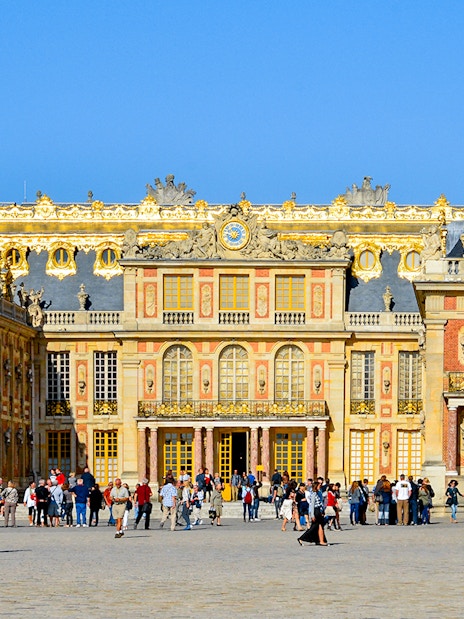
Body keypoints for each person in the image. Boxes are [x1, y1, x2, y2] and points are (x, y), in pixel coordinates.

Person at [297, 480, 328, 546]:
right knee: (315, 527)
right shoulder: (313, 494)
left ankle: (320, 540)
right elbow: (312, 505)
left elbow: (321, 502)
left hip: (319, 510)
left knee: (319, 526)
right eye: (319, 486)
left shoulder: (318, 493)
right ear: (316, 486)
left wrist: (322, 511)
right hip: (316, 511)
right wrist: (312, 515)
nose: (320, 487)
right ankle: (302, 538)